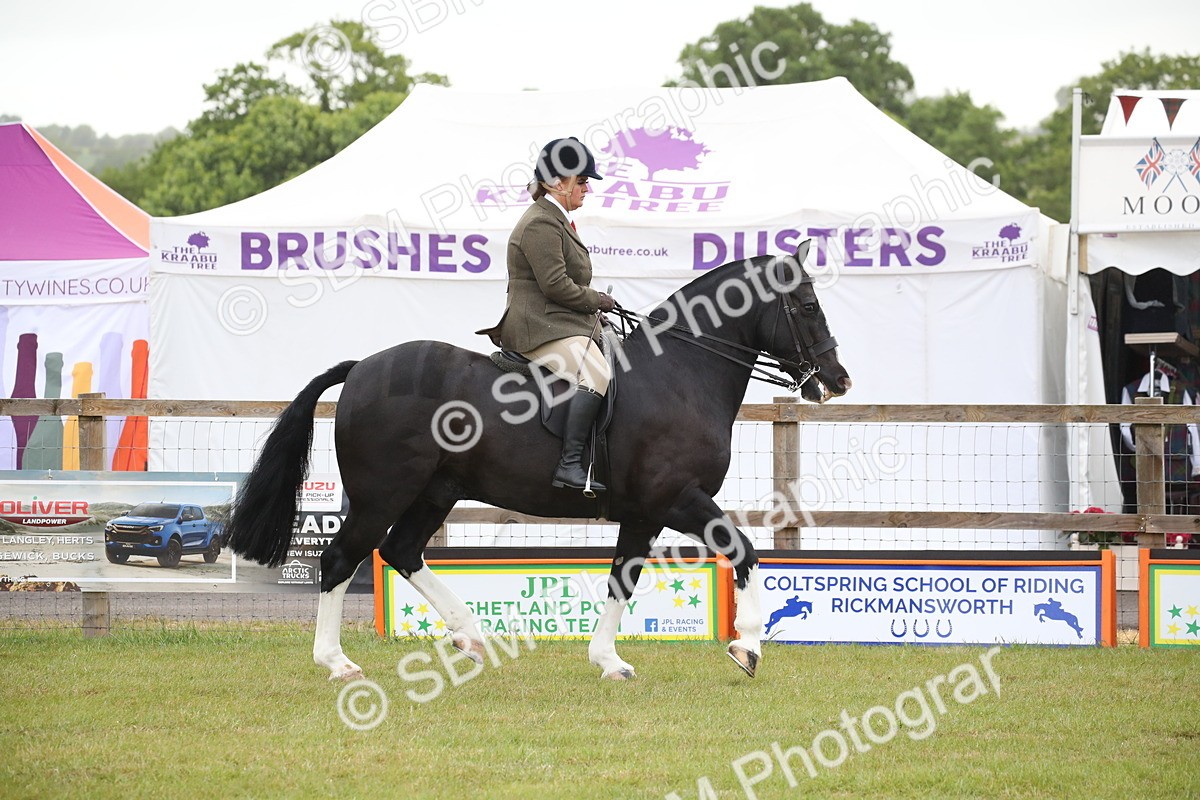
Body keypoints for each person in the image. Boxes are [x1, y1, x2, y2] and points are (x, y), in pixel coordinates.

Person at [477, 137, 616, 493]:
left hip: (560, 321)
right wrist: (596, 299)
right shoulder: (540, 223)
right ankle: (570, 465)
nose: (586, 188)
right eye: (581, 181)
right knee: (597, 374)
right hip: (537, 327)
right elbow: (555, 285)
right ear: (557, 182)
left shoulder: (559, 219)